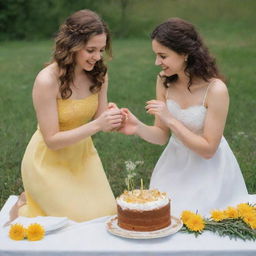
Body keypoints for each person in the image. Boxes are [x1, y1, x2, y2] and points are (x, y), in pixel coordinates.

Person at [119, 18, 250, 217]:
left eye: (163, 56)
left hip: (210, 171)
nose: (157, 63)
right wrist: (137, 126)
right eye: (156, 55)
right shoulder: (164, 82)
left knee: (203, 220)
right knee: (163, 217)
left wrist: (171, 119)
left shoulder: (215, 90)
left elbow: (208, 150)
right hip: (174, 165)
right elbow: (162, 135)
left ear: (185, 54)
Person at [16, 9, 124, 222]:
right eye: (91, 50)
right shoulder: (47, 80)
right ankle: (28, 199)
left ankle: (40, 198)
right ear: (72, 46)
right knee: (77, 218)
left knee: (106, 214)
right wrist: (98, 125)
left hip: (82, 156)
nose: (97, 57)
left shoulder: (99, 74)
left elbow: (101, 118)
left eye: (101, 50)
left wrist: (114, 117)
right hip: (47, 161)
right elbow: (52, 141)